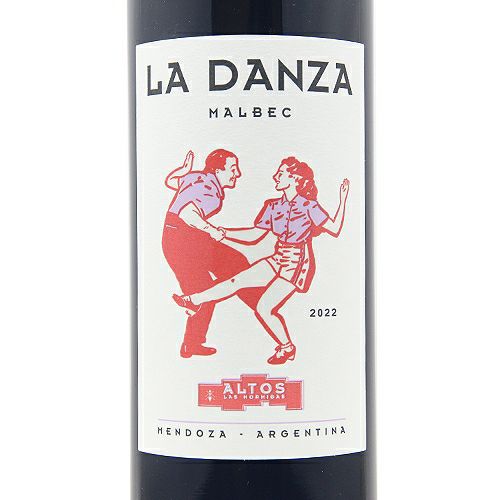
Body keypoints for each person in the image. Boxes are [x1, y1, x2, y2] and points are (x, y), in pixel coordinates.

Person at [173, 156, 350, 364]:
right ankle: (194, 300)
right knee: (236, 280)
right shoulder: (273, 206)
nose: (276, 176)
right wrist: (223, 232)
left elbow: (334, 228)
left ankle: (287, 348)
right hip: (278, 257)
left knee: (264, 308)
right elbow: (255, 235)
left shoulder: (309, 206)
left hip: (297, 263)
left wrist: (343, 200)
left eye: (281, 173)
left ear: (294, 179)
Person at [162, 149, 263, 358]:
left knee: (234, 262)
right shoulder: (210, 193)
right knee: (204, 292)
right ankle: (192, 344)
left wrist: (184, 170)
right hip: (183, 244)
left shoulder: (196, 177)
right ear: (218, 171)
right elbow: (187, 213)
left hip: (185, 238)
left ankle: (261, 304)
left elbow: (172, 181)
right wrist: (212, 230)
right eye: (232, 169)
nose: (237, 174)